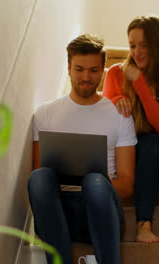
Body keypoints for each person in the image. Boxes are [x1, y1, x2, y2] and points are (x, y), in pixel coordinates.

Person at [28, 34, 137, 264]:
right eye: (79, 69)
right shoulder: (45, 114)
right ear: (68, 68)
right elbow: (40, 181)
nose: (86, 77)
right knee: (39, 177)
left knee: (95, 182)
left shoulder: (119, 115)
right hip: (60, 212)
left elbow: (127, 185)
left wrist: (94, 185)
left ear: (103, 69)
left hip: (101, 208)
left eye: (94, 70)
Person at [102, 15, 159, 247]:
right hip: (130, 150)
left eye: (144, 46)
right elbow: (105, 118)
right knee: (151, 143)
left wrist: (139, 83)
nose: (137, 52)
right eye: (132, 46)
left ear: (157, 46)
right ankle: (143, 224)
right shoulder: (116, 73)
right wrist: (117, 97)